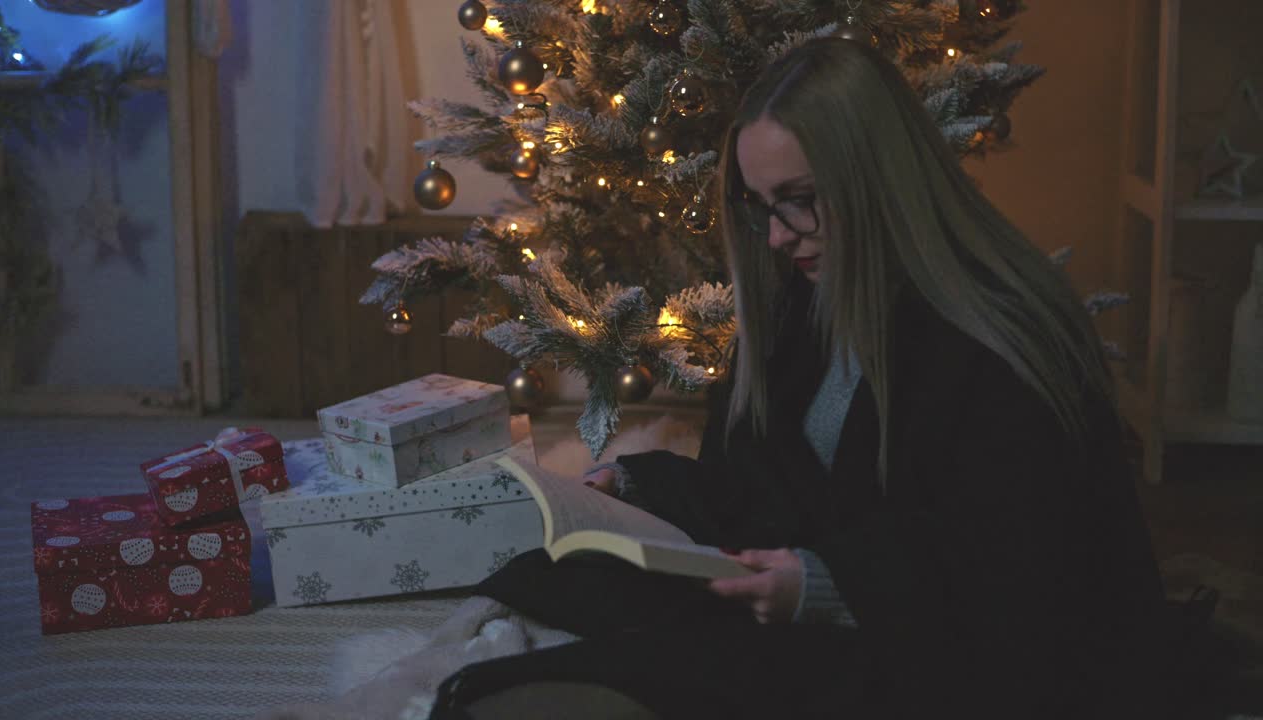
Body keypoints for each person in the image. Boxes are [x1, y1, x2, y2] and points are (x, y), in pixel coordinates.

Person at [428, 37, 1176, 720]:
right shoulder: (803, 304)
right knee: (574, 573)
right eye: (763, 207)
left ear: (879, 181)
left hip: (973, 663)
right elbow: (764, 492)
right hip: (845, 610)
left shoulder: (999, 336)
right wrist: (642, 486)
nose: (779, 235)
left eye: (800, 199)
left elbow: (1017, 568)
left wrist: (830, 586)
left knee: (714, 665)